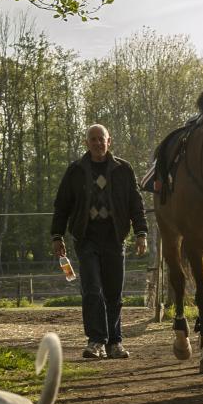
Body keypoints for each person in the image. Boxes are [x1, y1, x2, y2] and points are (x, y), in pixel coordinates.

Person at [51, 124, 150, 359]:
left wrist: (141, 232)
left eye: (101, 139)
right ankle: (96, 341)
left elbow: (136, 204)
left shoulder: (123, 170)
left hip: (114, 238)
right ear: (86, 143)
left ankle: (115, 342)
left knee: (114, 292)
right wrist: (57, 236)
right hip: (87, 239)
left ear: (109, 141)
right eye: (92, 139)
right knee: (93, 289)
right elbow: (62, 205)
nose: (97, 143)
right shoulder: (75, 170)